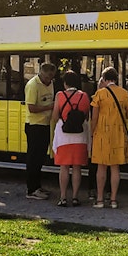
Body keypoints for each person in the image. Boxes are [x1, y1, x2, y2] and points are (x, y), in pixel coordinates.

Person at [90, 66, 128, 209]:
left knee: (101, 168)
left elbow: (94, 117)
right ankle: (113, 199)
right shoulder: (124, 93)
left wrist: (92, 131)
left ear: (104, 79)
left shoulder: (99, 94)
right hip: (118, 134)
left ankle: (100, 199)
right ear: (115, 78)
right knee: (115, 168)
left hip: (102, 134)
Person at [51, 70, 91, 207]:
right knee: (77, 167)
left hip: (63, 135)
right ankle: (75, 197)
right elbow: (86, 116)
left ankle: (63, 197)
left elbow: (55, 116)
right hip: (80, 135)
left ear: (65, 83)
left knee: (64, 167)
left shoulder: (60, 95)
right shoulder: (84, 96)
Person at [24, 62, 56, 200]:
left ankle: (37, 186)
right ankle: (31, 190)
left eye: (51, 78)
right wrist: (49, 107)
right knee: (33, 158)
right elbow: (31, 107)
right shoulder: (33, 85)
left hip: (45, 124)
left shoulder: (50, 83)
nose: (49, 80)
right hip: (34, 125)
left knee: (41, 157)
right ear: (41, 73)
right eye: (47, 77)